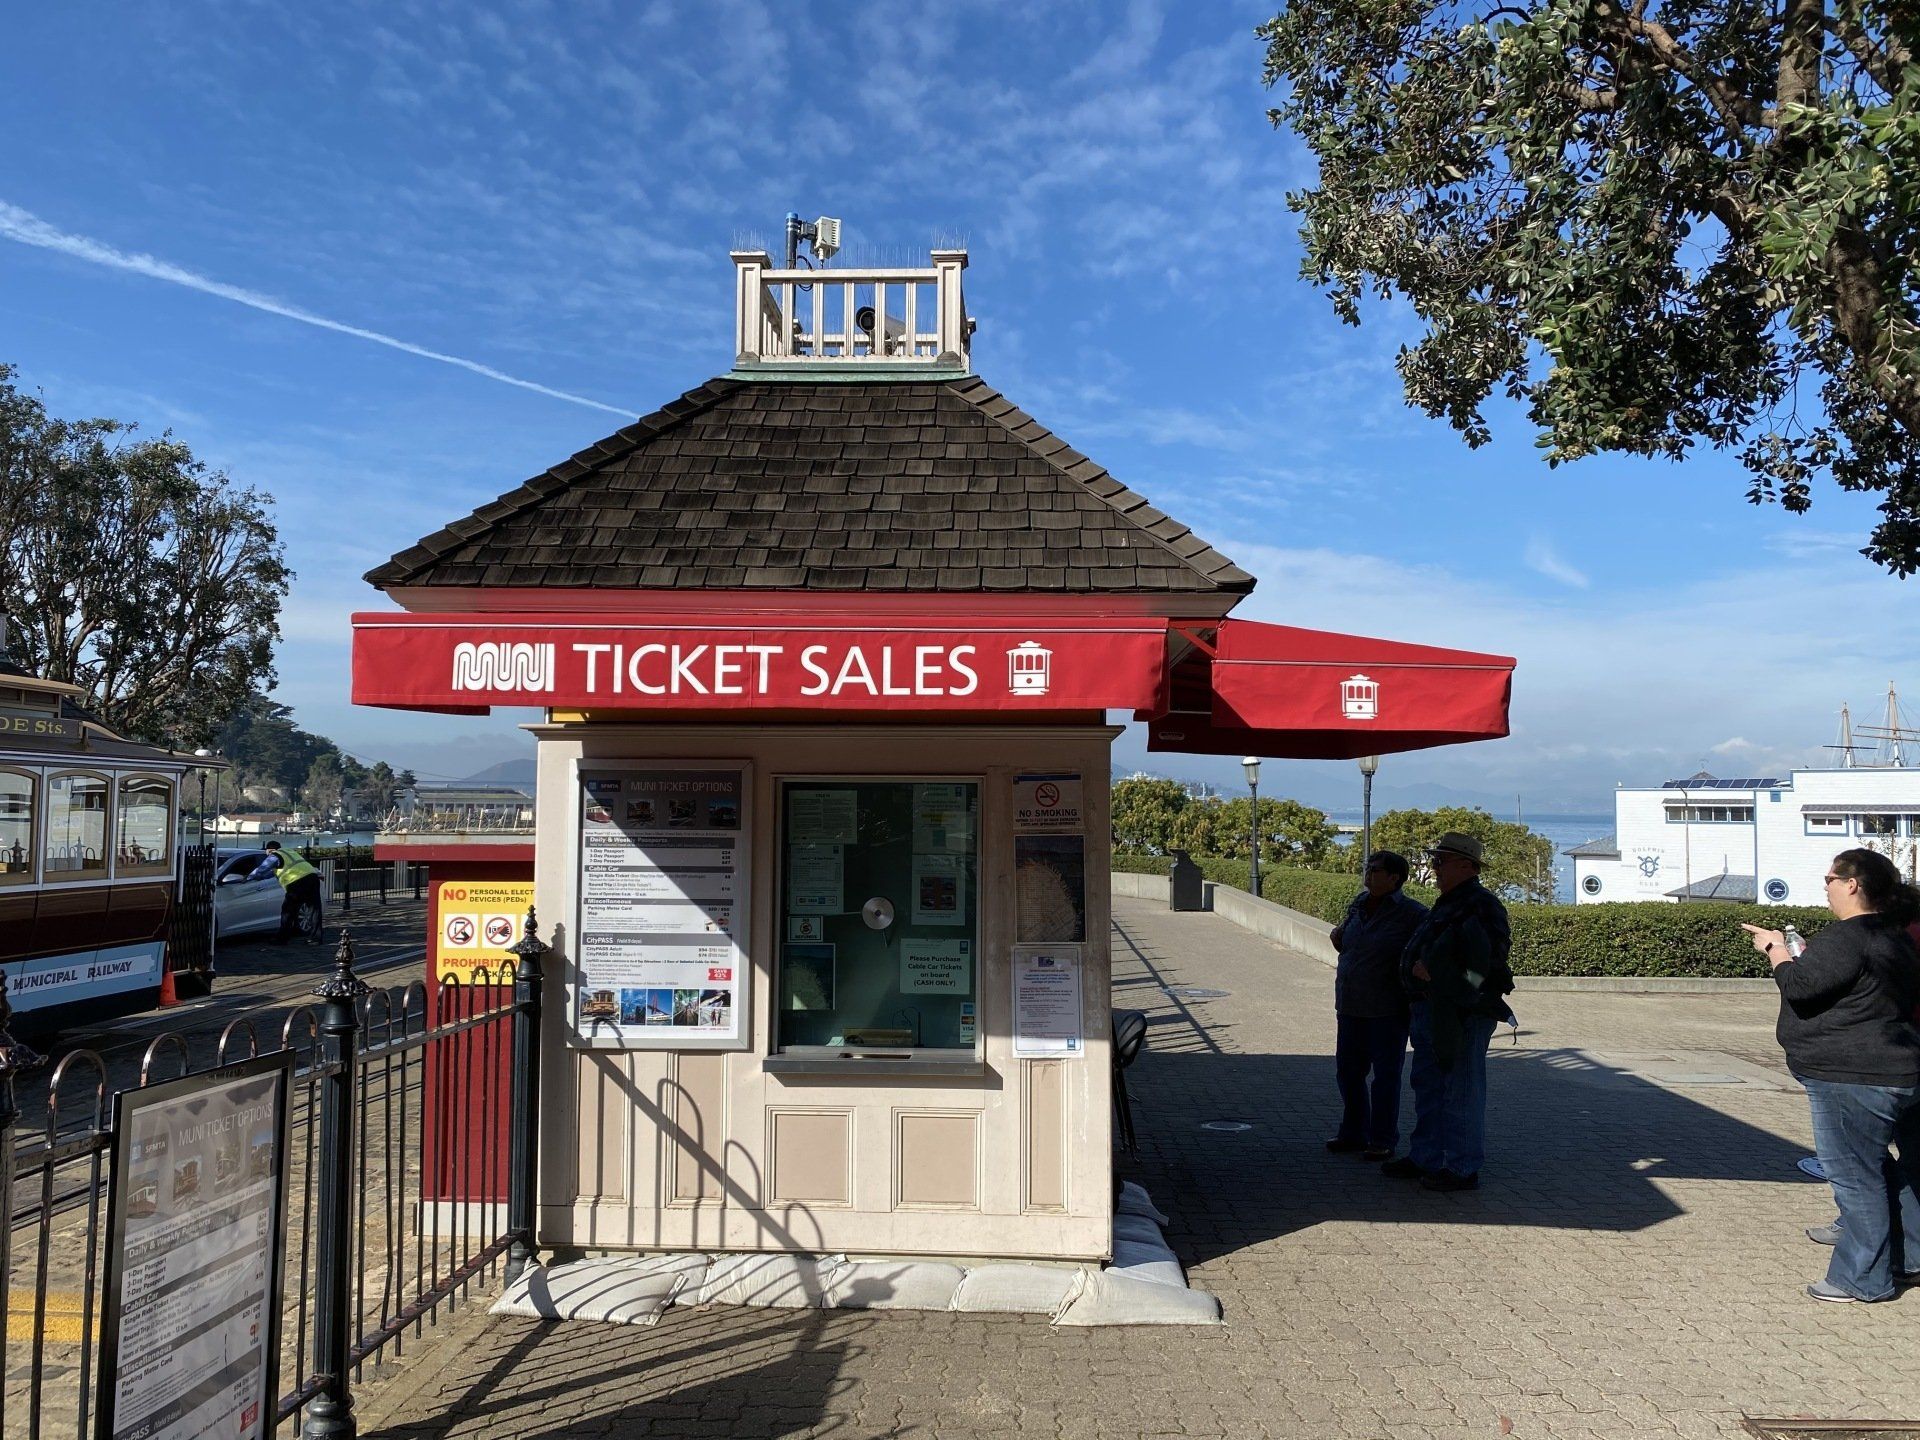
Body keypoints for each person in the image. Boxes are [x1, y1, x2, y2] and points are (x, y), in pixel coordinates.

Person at [1742, 848, 1920, 1302]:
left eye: (1829, 879)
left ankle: (1860, 1279)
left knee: (1856, 1179)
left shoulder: (1849, 936)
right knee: (1886, 1170)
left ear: (1853, 884)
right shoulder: (1896, 936)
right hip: (1893, 1069)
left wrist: (1776, 951)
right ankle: (1908, 1259)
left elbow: (1801, 988)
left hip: (1851, 1075)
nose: (1825, 887)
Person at [1382, 831, 1514, 1192]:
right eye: (1434, 860)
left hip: (1462, 1015)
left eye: (1441, 861)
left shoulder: (1482, 905)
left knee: (1461, 1090)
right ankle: (1426, 1156)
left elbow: (1485, 969)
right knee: (1429, 1087)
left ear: (1466, 866)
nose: (1434, 867)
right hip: (1433, 1011)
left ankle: (1461, 1167)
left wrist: (1440, 973)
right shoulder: (1450, 901)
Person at [1327, 850, 1426, 1160]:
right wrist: (1339, 937)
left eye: (1375, 870)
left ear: (1394, 878)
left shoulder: (1412, 914)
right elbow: (1348, 941)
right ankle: (1353, 1133)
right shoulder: (1358, 905)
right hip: (1350, 1004)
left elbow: (1426, 951)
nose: (1368, 874)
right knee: (1348, 1073)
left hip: (1387, 1010)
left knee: (1385, 1079)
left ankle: (1382, 1139)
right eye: (1368, 869)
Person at [249, 839, 324, 945]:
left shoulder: (274, 855)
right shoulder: (289, 852)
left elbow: (262, 869)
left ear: (270, 850)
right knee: (314, 909)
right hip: (312, 878)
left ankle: (282, 939)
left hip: (297, 882)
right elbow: (300, 865)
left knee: (287, 911)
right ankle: (316, 938)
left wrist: (247, 878)